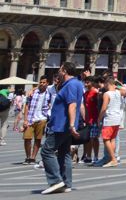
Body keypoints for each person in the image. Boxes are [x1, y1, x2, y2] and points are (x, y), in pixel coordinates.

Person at [41, 62, 84, 195]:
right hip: (65, 125)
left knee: (46, 151)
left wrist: (71, 124)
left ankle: (55, 181)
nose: (58, 72)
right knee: (64, 153)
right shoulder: (77, 83)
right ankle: (66, 183)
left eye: (60, 70)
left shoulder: (70, 85)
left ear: (64, 71)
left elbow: (72, 105)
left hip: (61, 125)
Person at [24, 77, 53, 166]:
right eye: (40, 82)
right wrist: (25, 119)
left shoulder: (49, 93)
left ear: (47, 83)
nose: (42, 84)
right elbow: (27, 106)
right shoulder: (33, 93)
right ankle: (28, 156)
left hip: (42, 119)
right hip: (31, 119)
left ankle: (33, 158)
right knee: (27, 138)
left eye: (44, 82)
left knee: (38, 139)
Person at [96, 75, 124, 167]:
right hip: (117, 118)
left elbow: (104, 108)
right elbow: (125, 89)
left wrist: (99, 118)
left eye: (105, 84)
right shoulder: (118, 92)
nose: (104, 86)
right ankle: (112, 158)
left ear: (108, 84)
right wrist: (117, 85)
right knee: (112, 139)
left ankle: (113, 159)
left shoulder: (107, 94)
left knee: (105, 139)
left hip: (109, 119)